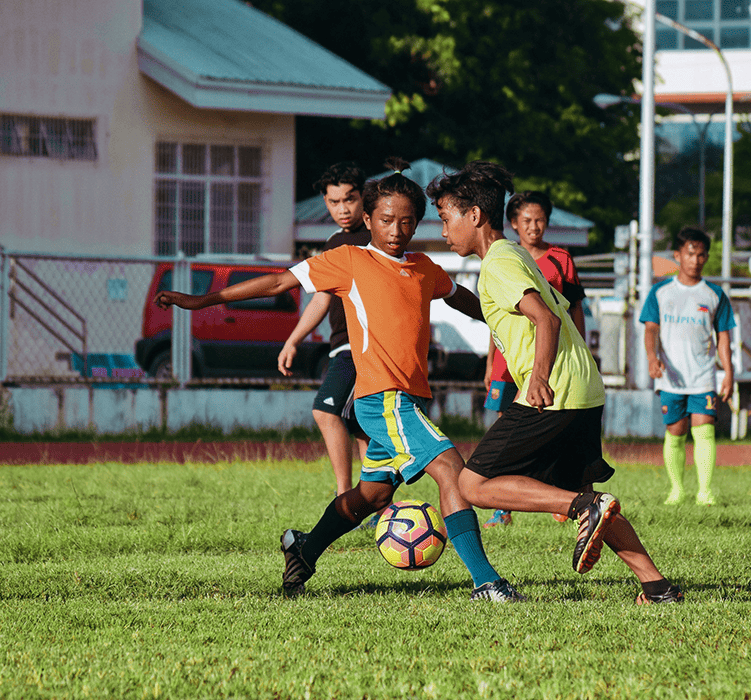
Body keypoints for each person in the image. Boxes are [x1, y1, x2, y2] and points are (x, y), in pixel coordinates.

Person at [154, 158, 523, 603]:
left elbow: (468, 301)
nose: (395, 230)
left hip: (408, 401)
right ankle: (486, 582)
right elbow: (276, 282)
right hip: (383, 400)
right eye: (386, 220)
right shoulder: (348, 260)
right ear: (368, 219)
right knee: (451, 470)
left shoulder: (424, 267)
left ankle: (304, 548)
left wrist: (520, 315)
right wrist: (203, 299)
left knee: (370, 495)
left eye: (407, 222)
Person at [428, 161, 683, 605]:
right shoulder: (516, 255)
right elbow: (537, 309)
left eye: (446, 217)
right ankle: (656, 587)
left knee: (471, 484)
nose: (444, 229)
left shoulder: (497, 264)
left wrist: (539, 378)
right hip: (584, 387)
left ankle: (581, 509)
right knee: (589, 497)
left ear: (474, 216)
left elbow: (543, 317)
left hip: (554, 390)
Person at [482, 190, 586, 528]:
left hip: (544, 359)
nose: (534, 226)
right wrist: (489, 363)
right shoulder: (505, 259)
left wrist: (580, 349)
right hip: (507, 361)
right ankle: (504, 506)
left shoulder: (559, 259)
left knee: (547, 425)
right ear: (513, 223)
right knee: (503, 428)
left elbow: (572, 309)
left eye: (540, 219)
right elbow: (496, 319)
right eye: (527, 220)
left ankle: (559, 494)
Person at [278, 162, 370, 498]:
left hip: (363, 347)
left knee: (325, 409)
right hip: (339, 347)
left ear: (363, 197)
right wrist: (293, 340)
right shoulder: (333, 242)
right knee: (362, 428)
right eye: (334, 202)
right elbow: (321, 298)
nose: (343, 209)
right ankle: (371, 504)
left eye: (350, 199)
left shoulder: (379, 238)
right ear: (325, 202)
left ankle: (345, 500)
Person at [638, 227, 735, 506]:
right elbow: (651, 329)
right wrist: (651, 357)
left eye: (702, 255)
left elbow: (724, 337)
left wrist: (728, 373)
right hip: (671, 377)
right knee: (675, 431)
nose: (696, 260)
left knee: (704, 429)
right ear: (678, 255)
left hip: (704, 376)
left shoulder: (715, 294)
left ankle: (705, 492)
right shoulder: (661, 292)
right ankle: (677, 490)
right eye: (690, 254)